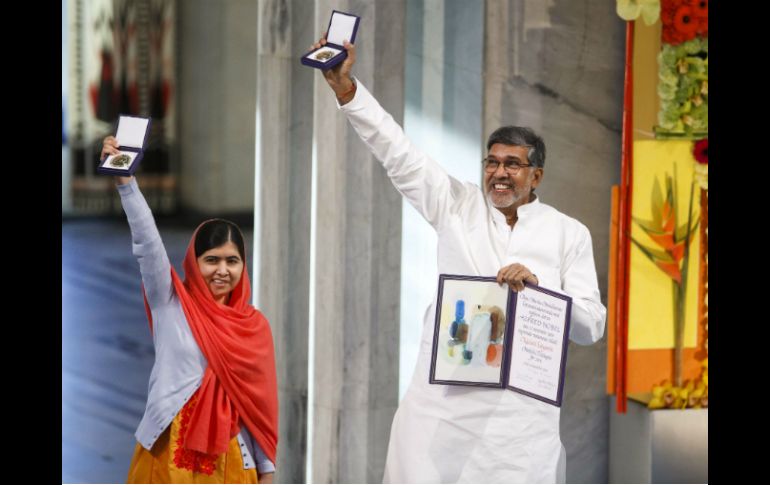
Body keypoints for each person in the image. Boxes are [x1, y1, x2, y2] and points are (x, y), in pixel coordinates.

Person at [311, 35, 606, 483]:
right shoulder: (456, 205)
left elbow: (590, 326)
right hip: (444, 403)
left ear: (537, 175)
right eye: (492, 162)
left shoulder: (568, 233)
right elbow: (397, 153)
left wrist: (538, 291)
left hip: (520, 419)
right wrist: (348, 91)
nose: (499, 173)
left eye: (512, 164)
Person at [101, 137, 279, 484]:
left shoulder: (254, 327)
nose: (222, 270)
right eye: (211, 260)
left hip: (232, 464)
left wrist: (267, 474)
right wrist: (126, 183)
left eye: (232, 261)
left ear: (245, 266)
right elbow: (148, 244)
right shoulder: (171, 303)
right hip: (168, 455)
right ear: (194, 264)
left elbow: (259, 412)